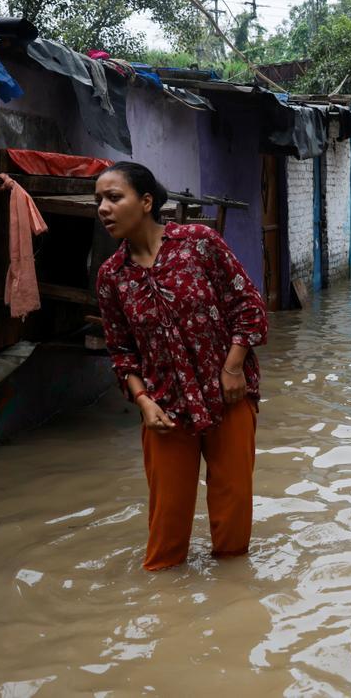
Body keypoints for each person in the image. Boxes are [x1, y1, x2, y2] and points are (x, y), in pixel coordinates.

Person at [94, 161, 268, 571]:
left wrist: (233, 368)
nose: (103, 208)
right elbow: (121, 351)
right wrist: (142, 401)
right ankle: (164, 608)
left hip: (229, 395)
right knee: (166, 529)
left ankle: (232, 600)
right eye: (98, 199)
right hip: (165, 407)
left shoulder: (199, 243)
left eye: (114, 197)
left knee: (233, 512)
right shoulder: (111, 277)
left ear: (147, 201)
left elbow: (249, 305)